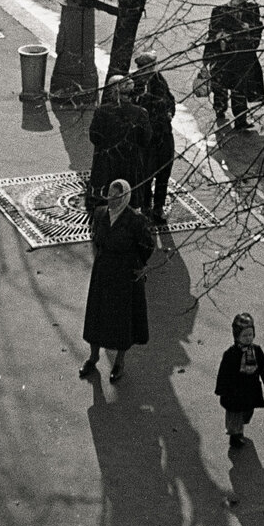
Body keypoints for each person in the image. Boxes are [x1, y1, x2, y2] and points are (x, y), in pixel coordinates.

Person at [79, 179, 155, 383]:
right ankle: (93, 356)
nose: (111, 199)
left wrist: (137, 265)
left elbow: (147, 245)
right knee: (97, 315)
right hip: (103, 271)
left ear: (125, 197)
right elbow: (96, 237)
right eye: (110, 194)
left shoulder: (135, 220)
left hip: (123, 274)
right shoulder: (101, 213)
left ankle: (120, 361)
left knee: (122, 320)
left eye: (116, 196)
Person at [203, 0, 264, 131]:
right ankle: (220, 109)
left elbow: (258, 28)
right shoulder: (220, 11)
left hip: (242, 56)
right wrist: (218, 41)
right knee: (220, 86)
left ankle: (240, 120)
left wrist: (249, 29)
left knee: (240, 89)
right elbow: (212, 31)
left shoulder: (252, 9)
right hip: (224, 54)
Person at [87, 75, 151, 211]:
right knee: (130, 204)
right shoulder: (140, 113)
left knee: (105, 203)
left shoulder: (102, 111)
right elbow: (145, 140)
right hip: (131, 165)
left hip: (106, 164)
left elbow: (94, 137)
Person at [215, 312, 264, 448]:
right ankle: (234, 437)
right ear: (237, 336)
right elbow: (223, 372)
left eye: (250, 334)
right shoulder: (231, 354)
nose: (248, 338)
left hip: (250, 389)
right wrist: (222, 389)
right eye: (244, 335)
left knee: (247, 412)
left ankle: (239, 429)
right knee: (235, 415)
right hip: (234, 391)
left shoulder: (256, 350)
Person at [132, 52, 176, 223]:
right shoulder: (135, 84)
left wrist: (170, 111)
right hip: (147, 137)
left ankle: (158, 208)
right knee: (147, 174)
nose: (151, 70)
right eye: (148, 67)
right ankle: (146, 206)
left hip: (164, 133)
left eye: (152, 66)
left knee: (164, 173)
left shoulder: (158, 79)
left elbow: (171, 99)